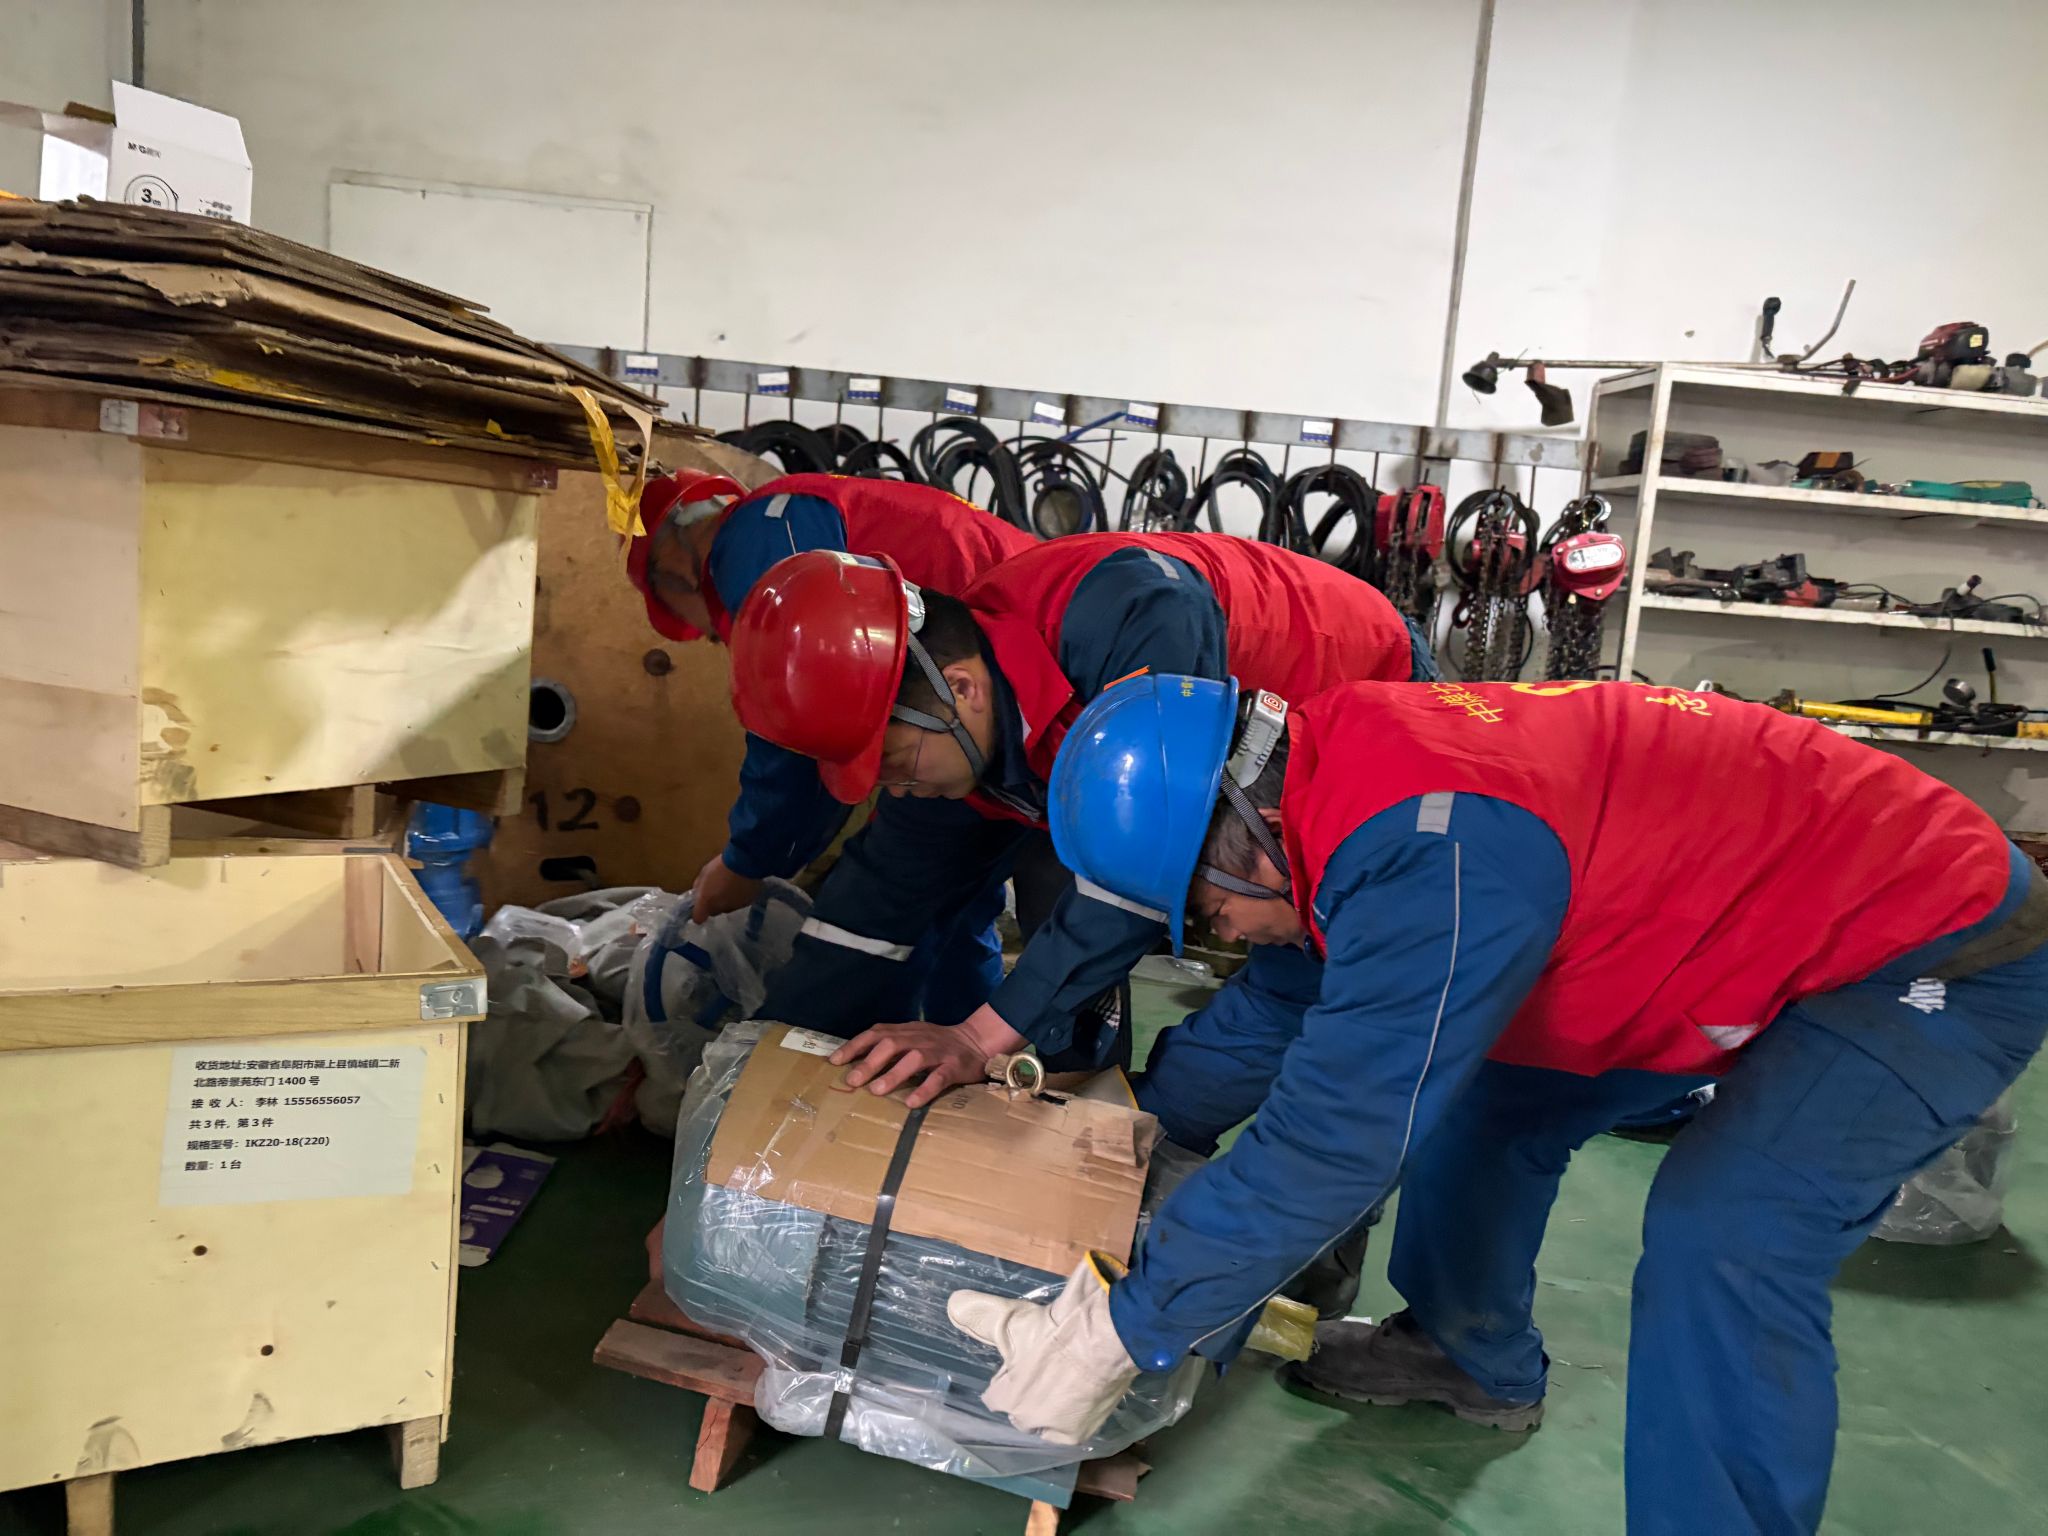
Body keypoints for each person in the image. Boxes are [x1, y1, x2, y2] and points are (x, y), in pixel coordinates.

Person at [945, 672, 2048, 1535]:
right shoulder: (1325, 787)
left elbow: (1336, 1141)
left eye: (1202, 907)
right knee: (1485, 1107)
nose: (1215, 936)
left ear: (1245, 830)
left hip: (1927, 947)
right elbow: (1286, 998)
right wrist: (1144, 1129)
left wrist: (1125, 1327)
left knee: (1729, 1234)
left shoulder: (1430, 846)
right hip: (1708, 924)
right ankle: (1468, 1355)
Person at [729, 529, 1436, 1090]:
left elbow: (1137, 866)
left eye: (893, 764)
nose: (897, 789)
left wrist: (978, 1037)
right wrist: (765, 1064)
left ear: (962, 690)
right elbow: (879, 899)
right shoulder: (946, 726)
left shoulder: (1136, 618)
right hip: (1226, 800)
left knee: (1336, 1014)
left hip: (1365, 706)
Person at [624, 467, 1033, 1025]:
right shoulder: (794, 513)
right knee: (956, 904)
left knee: (872, 916)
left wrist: (747, 860)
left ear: (673, 571)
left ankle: (800, 1066)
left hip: (969, 711)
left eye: (711, 632)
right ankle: (963, 1055)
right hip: (1005, 705)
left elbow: (797, 728)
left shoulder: (757, 539)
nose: (720, 637)